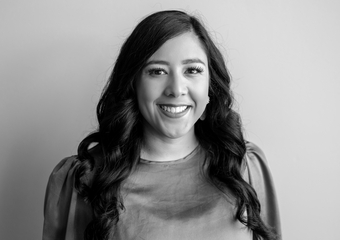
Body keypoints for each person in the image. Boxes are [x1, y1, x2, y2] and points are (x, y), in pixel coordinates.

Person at [43, 10, 281, 240]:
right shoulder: (84, 179)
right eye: (157, 71)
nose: (176, 89)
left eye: (193, 70)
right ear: (133, 84)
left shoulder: (245, 167)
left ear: (210, 85)